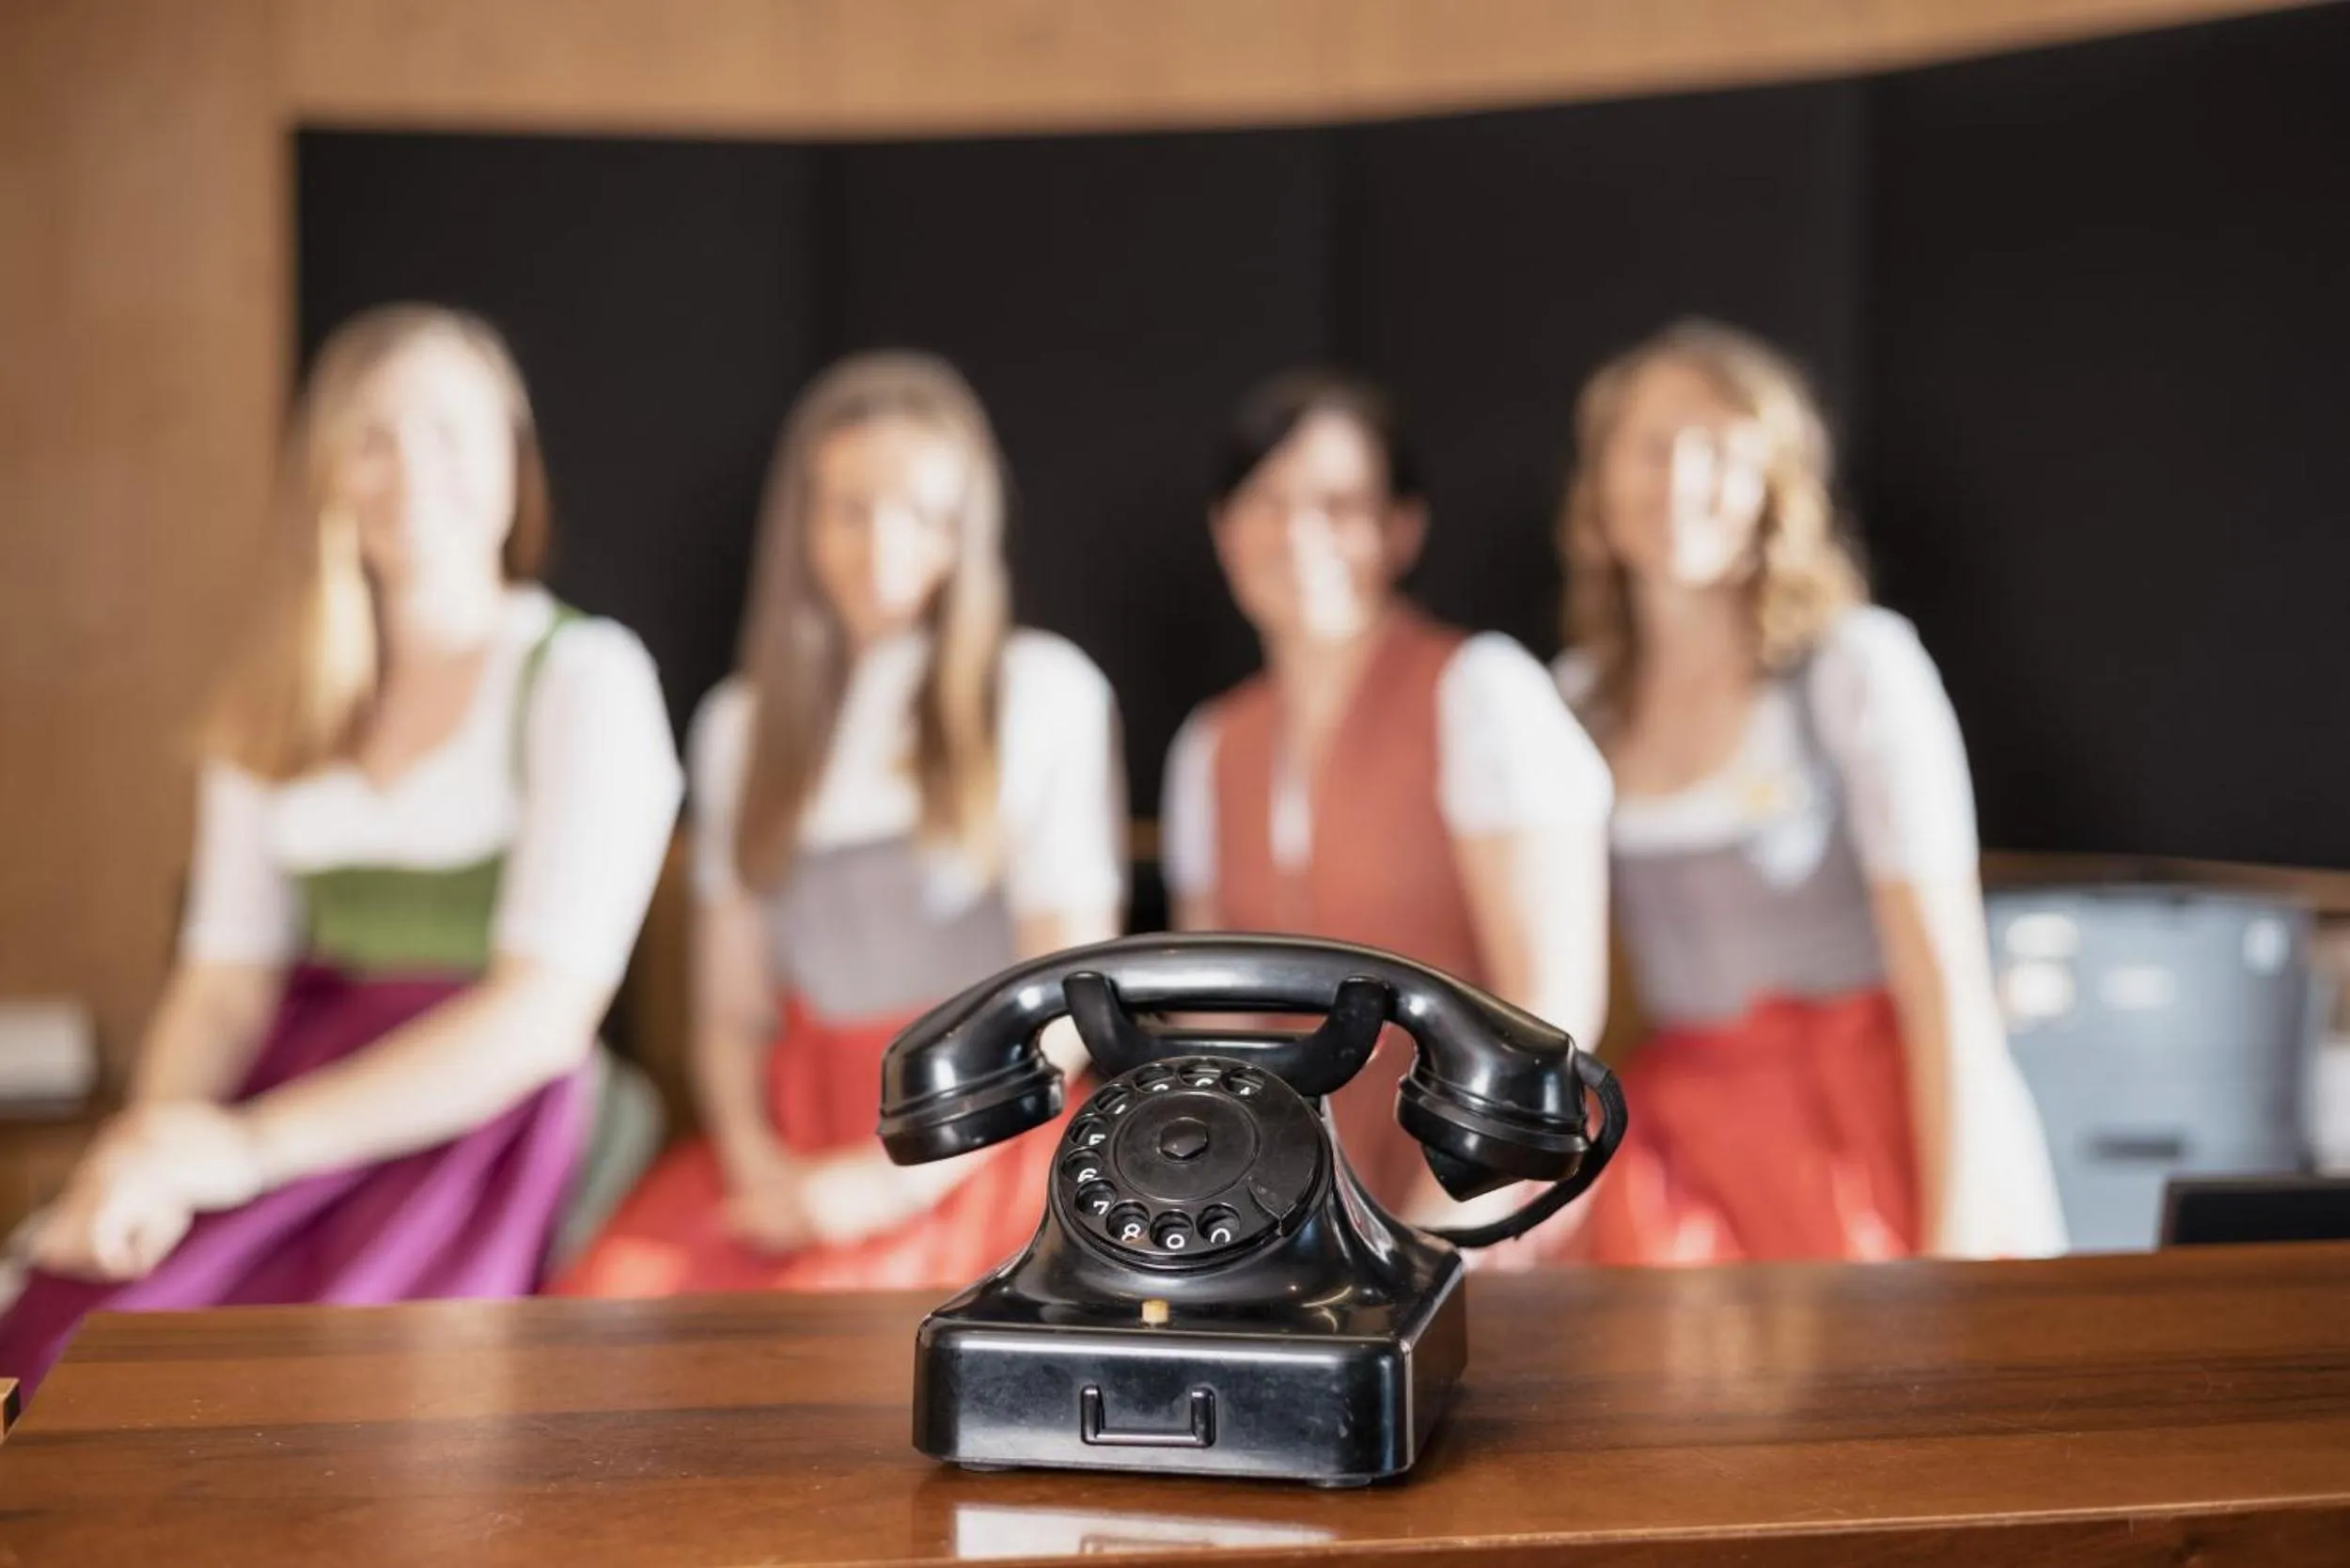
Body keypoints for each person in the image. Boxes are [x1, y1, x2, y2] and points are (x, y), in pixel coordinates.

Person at [0, 305, 682, 1393]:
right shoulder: (276, 694)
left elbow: (540, 1020)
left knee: (318, 1392)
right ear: (323, 471)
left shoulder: (584, 678)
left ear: (513, 461)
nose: (412, 468)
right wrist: (154, 1145)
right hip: (291, 1073)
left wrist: (243, 1151)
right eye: (372, 436)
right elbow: (223, 987)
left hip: (473, 1113)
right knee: (66, 1347)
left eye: (450, 431)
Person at [557, 352, 1126, 1297]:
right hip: (790, 1137)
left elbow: (1068, 1003)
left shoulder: (1041, 692)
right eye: (849, 508)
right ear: (801, 521)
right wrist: (753, 1163)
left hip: (978, 1142)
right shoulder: (741, 727)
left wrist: (888, 1184)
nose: (882, 544)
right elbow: (731, 1014)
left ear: (967, 527)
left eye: (921, 514)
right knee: (611, 1302)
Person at [1550, 319, 2063, 1262]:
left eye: (1717, 450)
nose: (1679, 481)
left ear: (1774, 486)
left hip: (1867, 1121)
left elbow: (1943, 981)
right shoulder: (1575, 701)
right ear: (1600, 480)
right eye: (1651, 446)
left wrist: (1947, 1244)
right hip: (1684, 1147)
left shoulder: (1856, 667)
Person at [1160, 370, 1613, 1221]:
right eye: (1266, 500)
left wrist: (1441, 1230)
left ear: (1402, 529)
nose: (1298, 534)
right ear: (1224, 529)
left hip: (1484, 1199)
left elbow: (1554, 1014)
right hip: (1287, 1220)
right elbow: (1216, 1037)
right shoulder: (1209, 744)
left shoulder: (1484, 690)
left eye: (1338, 504)